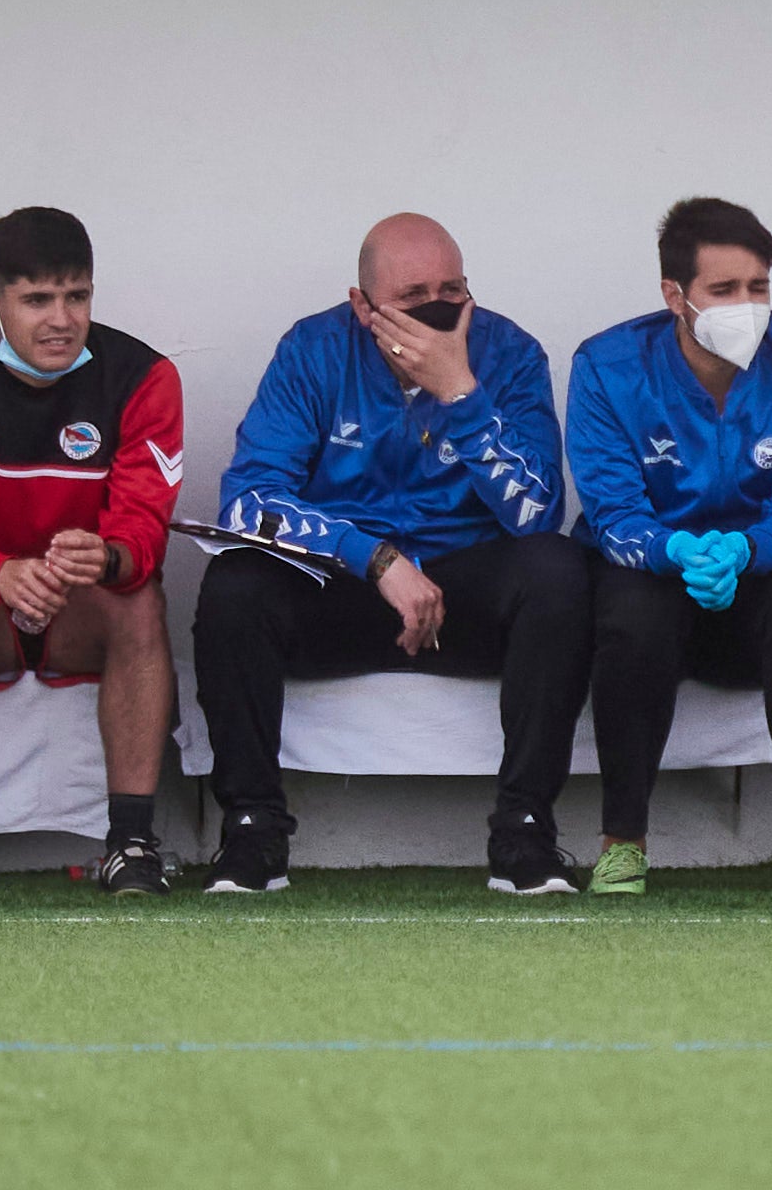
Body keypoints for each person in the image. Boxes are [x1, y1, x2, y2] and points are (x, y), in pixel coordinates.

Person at [195, 213, 594, 895]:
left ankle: (525, 833)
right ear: (362, 304)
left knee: (556, 569)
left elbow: (535, 513)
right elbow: (247, 500)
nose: (437, 309)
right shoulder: (313, 349)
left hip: (464, 592)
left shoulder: (509, 351)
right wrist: (373, 558)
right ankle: (253, 832)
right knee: (235, 581)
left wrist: (459, 393)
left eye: (453, 290)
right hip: (348, 586)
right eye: (412, 298)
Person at [0, 207, 184, 897]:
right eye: (36, 299)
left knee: (138, 597)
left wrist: (106, 559)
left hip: (79, 611)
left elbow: (143, 525)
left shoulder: (144, 376)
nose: (60, 319)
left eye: (76, 296)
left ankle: (132, 844)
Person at [566, 198, 772, 897]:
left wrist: (742, 552)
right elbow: (611, 512)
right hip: (651, 571)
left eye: (757, 287)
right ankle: (622, 842)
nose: (746, 305)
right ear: (675, 296)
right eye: (723, 291)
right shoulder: (606, 365)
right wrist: (676, 554)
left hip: (752, 569)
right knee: (634, 616)